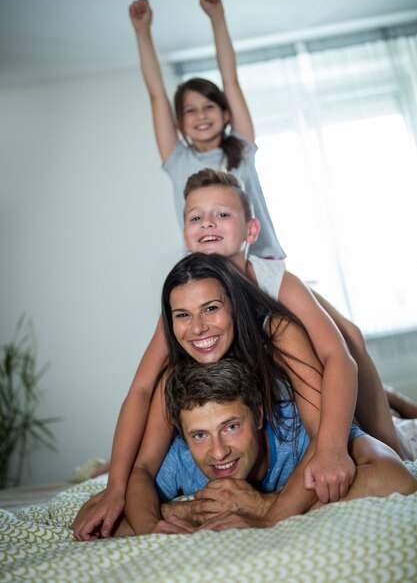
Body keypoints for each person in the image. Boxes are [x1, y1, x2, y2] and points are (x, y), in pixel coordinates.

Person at [74, 168, 410, 540]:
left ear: (251, 231)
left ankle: (394, 421)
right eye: (195, 217)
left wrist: (331, 449)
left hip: (296, 396)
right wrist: (118, 484)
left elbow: (339, 359)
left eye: (221, 214)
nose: (208, 224)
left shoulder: (274, 287)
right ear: (185, 235)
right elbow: (140, 389)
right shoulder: (186, 305)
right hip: (255, 402)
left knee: (350, 342)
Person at [129, 0, 283, 260]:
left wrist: (217, 19)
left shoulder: (242, 149)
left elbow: (231, 80)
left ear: (226, 115)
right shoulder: (178, 160)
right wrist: (143, 32)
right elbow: (156, 95)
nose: (201, 115)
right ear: (178, 123)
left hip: (260, 260)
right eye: (191, 110)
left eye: (209, 106)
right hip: (209, 267)